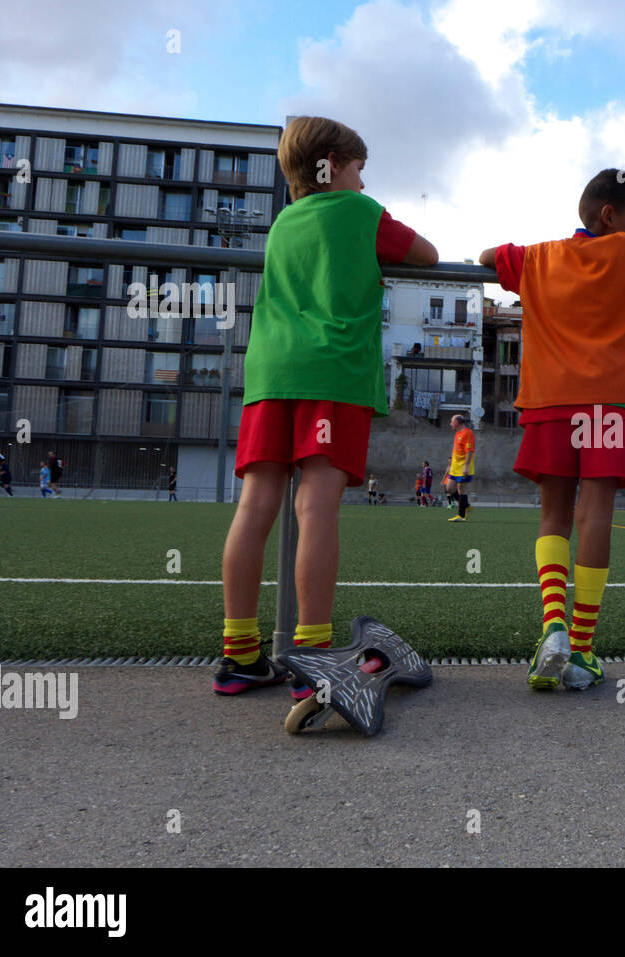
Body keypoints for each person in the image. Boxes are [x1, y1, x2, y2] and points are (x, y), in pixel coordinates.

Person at [212, 114, 438, 696]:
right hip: (331, 373)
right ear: (333, 166)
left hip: (270, 373)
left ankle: (239, 655)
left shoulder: (284, 221)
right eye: (360, 169)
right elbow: (428, 255)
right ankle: (311, 656)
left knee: (255, 503)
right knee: (316, 505)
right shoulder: (362, 213)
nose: (364, 183)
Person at [479, 167, 625, 690]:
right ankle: (581, 648)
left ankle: (551, 624)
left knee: (553, 516)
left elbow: (488, 258)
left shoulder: (537, 256)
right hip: (612, 403)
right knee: (597, 510)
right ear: (610, 216)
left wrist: (515, 255)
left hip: (551, 401)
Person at [443, 415, 475, 522]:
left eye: (452, 422)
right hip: (455, 467)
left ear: (457, 422)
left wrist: (466, 465)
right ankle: (465, 505)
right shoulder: (457, 434)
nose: (450, 424)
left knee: (461, 489)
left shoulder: (468, 433)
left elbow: (470, 451)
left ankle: (461, 516)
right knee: (449, 488)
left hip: (463, 467)